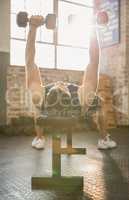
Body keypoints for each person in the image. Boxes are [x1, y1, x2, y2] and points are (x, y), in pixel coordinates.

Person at [25, 14, 117, 150]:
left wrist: (32, 28)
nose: (59, 83)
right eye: (61, 86)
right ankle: (104, 139)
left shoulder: (40, 97)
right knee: (100, 103)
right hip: (77, 101)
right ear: (69, 93)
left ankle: (39, 138)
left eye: (56, 85)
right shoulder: (83, 98)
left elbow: (29, 62)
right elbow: (94, 61)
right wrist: (93, 28)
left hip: (49, 101)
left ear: (48, 93)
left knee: (36, 105)